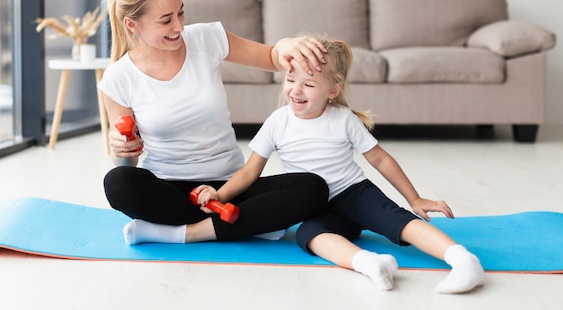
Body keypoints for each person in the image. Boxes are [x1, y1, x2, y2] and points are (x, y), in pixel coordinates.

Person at [193, 35, 485, 294]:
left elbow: (380, 158)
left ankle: (462, 260)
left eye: (308, 84)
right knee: (308, 236)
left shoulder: (343, 119)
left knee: (398, 222)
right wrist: (221, 195)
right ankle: (369, 263)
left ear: (333, 91)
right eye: (290, 79)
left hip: (355, 193)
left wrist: (415, 198)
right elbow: (250, 170)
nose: (296, 90)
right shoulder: (278, 122)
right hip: (315, 205)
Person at [97, 0, 329, 246]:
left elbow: (270, 57)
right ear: (133, 25)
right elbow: (128, 162)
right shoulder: (118, 78)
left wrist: (287, 44)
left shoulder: (206, 38)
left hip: (230, 187)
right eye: (166, 20)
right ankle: (246, 223)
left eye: (181, 12)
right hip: (170, 190)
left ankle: (187, 232)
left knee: (313, 188)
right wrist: (121, 150)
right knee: (118, 182)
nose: (179, 27)